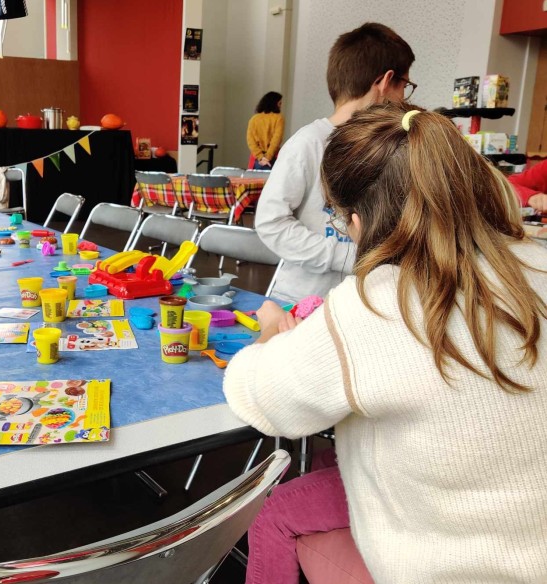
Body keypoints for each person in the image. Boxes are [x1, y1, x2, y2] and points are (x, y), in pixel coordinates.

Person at [225, 104, 547, 583]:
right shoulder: (536, 261)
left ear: (357, 220)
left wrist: (270, 332)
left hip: (451, 567)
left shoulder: (374, 305)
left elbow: (258, 398)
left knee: (278, 508)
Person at [254, 23, 415, 303]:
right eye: (405, 86)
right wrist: (348, 256)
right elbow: (271, 223)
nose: (404, 98)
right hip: (303, 300)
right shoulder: (308, 143)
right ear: (385, 82)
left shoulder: (392, 147)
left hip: (364, 302)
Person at [246, 92, 284, 170]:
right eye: (279, 103)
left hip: (256, 159)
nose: (280, 106)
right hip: (272, 158)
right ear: (274, 104)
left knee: (254, 181)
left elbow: (250, 141)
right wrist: (267, 157)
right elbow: (276, 140)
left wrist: (260, 157)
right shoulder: (279, 118)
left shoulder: (254, 119)